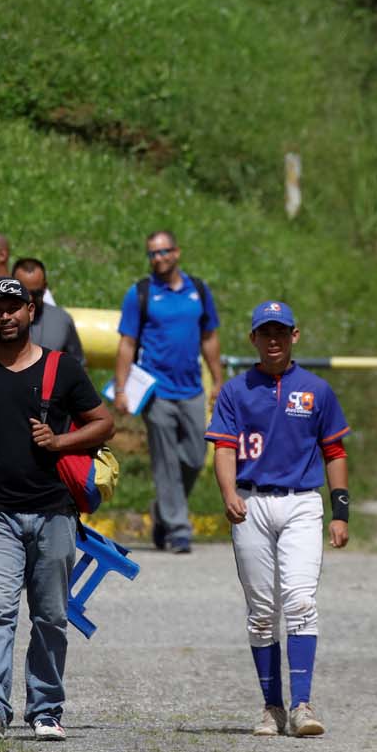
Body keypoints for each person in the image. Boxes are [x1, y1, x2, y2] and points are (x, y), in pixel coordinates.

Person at [0, 278, 115, 741]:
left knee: (50, 616)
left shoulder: (64, 369)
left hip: (55, 512)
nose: (4, 316)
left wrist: (61, 440)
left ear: (31, 310)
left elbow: (105, 424)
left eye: (12, 307)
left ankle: (45, 709)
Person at [206, 301, 351, 738]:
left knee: (301, 601)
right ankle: (272, 708)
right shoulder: (235, 390)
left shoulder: (317, 390)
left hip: (303, 501)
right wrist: (229, 492)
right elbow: (225, 448)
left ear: (295, 336)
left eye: (281, 332)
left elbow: (335, 451)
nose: (273, 340)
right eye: (265, 333)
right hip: (251, 502)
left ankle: (302, 704)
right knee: (262, 612)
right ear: (253, 338)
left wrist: (340, 512)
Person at [114, 231, 223, 554]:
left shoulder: (199, 291)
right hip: (156, 390)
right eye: (152, 254)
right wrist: (121, 389)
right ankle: (178, 529)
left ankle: (162, 511)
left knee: (195, 456)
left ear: (177, 252)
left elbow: (210, 338)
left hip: (192, 389)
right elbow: (127, 344)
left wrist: (217, 380)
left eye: (163, 252)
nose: (158, 258)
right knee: (165, 462)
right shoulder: (141, 293)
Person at [14, 257, 83, 366]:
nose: (30, 298)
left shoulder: (62, 320)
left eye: (36, 293)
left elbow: (78, 366)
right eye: (24, 293)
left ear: (45, 287)